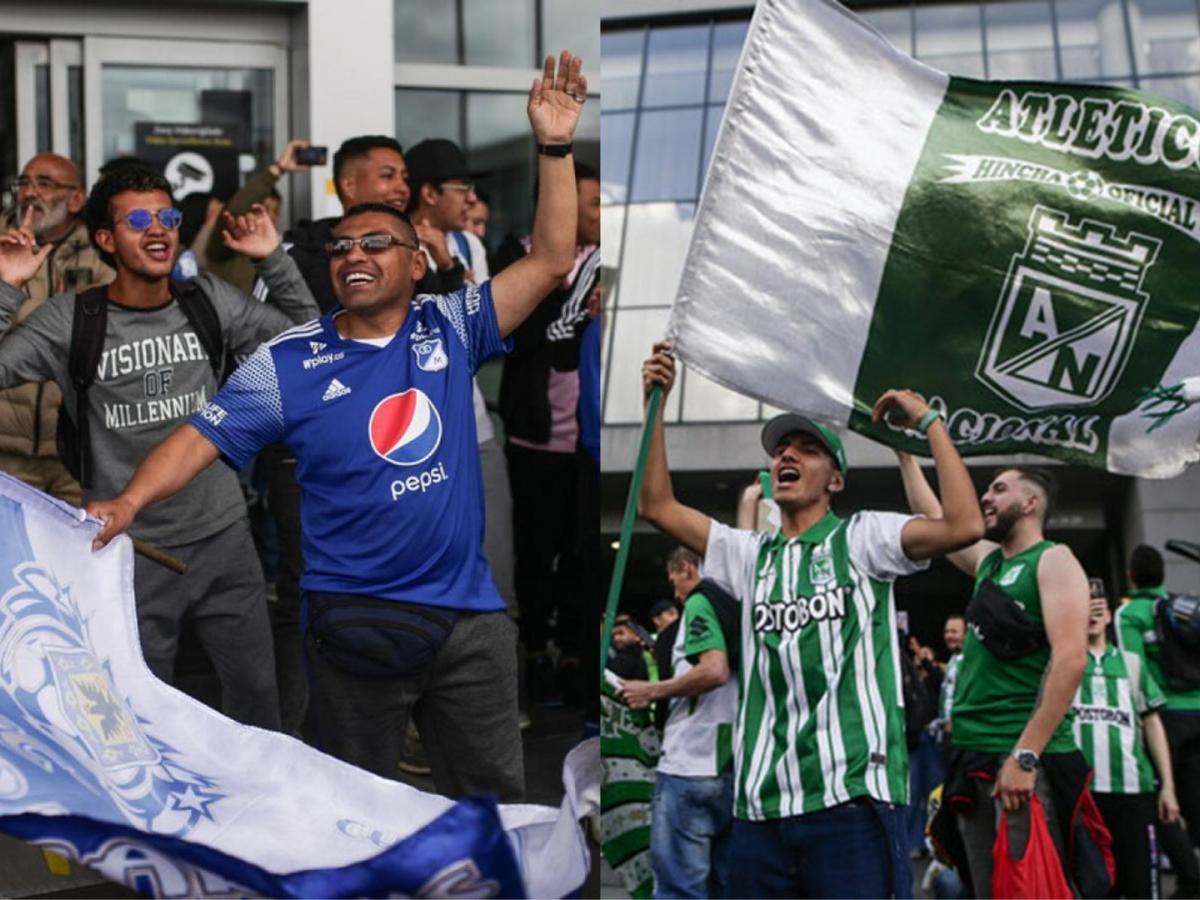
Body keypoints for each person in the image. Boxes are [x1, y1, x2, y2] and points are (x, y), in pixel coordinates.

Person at [85, 51, 588, 801]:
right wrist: (128, 502)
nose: (354, 255)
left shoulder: (451, 325)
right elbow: (198, 438)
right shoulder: (289, 361)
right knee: (355, 804)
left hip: (468, 621)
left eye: (376, 244)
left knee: (492, 810)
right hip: (353, 623)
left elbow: (550, 260)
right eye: (342, 247)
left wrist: (553, 145)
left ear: (416, 265)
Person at [638, 341, 984, 898]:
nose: (787, 457)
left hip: (852, 800)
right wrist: (654, 404)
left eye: (807, 450)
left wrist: (930, 425)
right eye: (781, 451)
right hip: (760, 807)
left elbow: (964, 525)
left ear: (835, 480)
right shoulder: (749, 555)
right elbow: (656, 506)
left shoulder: (865, 538)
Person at [0, 164, 318, 730]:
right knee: (141, 713)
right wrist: (6, 287)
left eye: (167, 217)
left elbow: (311, 344)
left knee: (256, 701)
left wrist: (273, 259)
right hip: (129, 552)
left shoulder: (208, 300)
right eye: (138, 220)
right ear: (105, 239)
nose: (158, 229)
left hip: (224, 538)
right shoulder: (72, 320)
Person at [897, 454, 1091, 895]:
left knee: (1029, 890)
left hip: (1017, 758)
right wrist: (904, 455)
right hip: (973, 755)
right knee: (986, 889)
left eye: (999, 489)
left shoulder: (1053, 560)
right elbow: (935, 514)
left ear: (1030, 503)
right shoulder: (990, 564)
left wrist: (1025, 756)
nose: (986, 496)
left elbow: (1070, 660)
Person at [619, 552, 738, 899]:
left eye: (674, 584)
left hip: (690, 762)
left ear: (687, 569)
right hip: (734, 762)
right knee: (726, 886)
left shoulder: (701, 602)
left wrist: (651, 691)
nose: (676, 595)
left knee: (679, 889)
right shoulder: (744, 606)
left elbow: (714, 670)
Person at [0, 153, 114, 506]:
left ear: (76, 199)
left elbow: (113, 326)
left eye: (44, 184)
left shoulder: (102, 251)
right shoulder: (1, 245)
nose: (30, 193)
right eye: (24, 183)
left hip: (77, 454)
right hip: (6, 455)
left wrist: (20, 310)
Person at [1074, 589, 1179, 898]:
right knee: (1091, 887)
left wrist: (1168, 786)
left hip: (1134, 792)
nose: (1092, 614)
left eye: (1098, 609)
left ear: (1109, 616)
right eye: (1085, 608)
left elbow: (1152, 724)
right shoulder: (1066, 663)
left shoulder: (1132, 664)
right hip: (1084, 794)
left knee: (1140, 887)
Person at [1116, 544, 1200, 897]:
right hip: (1197, 712)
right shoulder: (1184, 608)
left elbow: (1132, 670)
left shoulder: (1130, 614)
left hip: (1163, 718)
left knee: (1159, 796)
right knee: (1194, 796)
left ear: (1130, 576)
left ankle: (1190, 877)